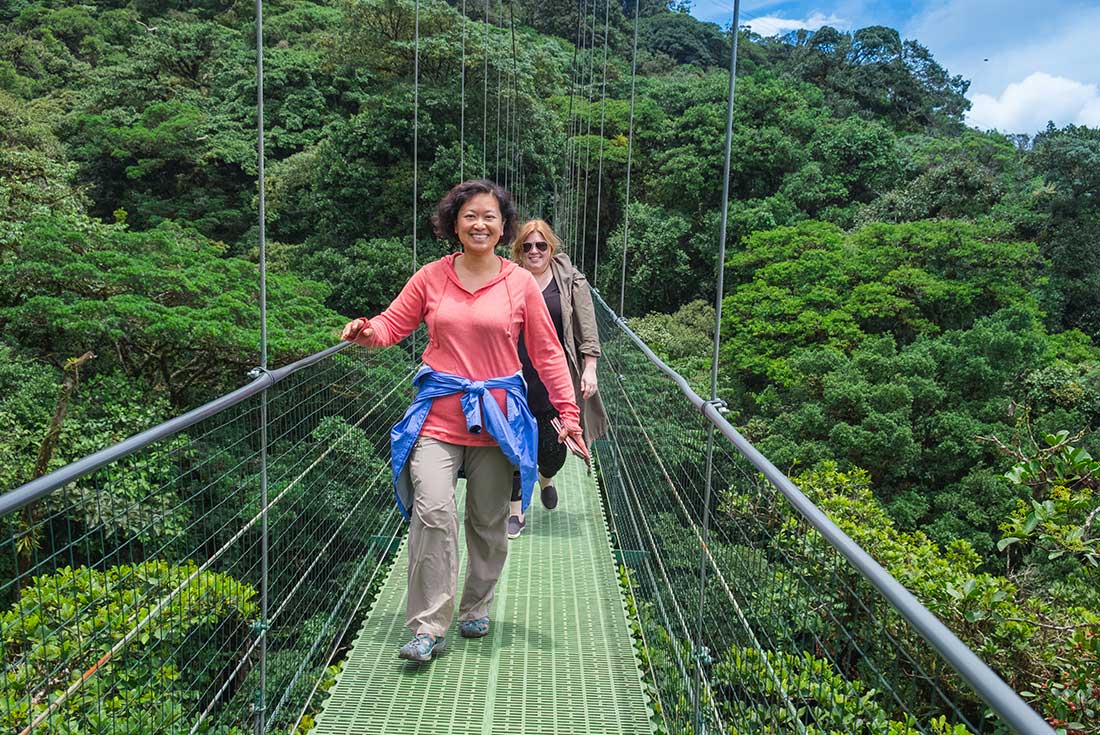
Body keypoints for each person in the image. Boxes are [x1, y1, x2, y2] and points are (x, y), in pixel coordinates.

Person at [341, 180, 585, 663]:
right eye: (470, 215)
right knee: (432, 511)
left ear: (502, 227)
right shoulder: (432, 276)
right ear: (454, 223)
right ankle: (428, 626)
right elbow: (392, 326)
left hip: (498, 420)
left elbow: (547, 353)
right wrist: (365, 331)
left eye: (489, 217)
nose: (480, 224)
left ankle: (476, 604)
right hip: (439, 416)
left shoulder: (518, 283)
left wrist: (568, 414)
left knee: (488, 520)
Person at [506, 219, 608, 539]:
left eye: (541, 246)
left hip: (554, 377)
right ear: (518, 251)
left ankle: (546, 477)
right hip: (514, 375)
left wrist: (589, 367)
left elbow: (587, 329)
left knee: (553, 451)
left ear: (552, 248)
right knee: (513, 444)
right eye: (527, 246)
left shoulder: (571, 281)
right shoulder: (507, 280)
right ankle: (515, 510)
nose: (534, 252)